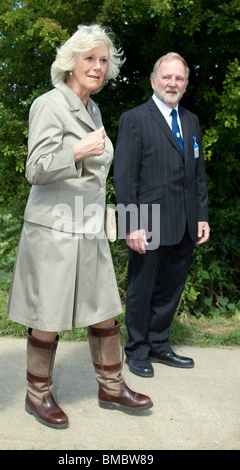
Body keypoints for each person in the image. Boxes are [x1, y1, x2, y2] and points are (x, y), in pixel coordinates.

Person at [7, 24, 152, 430]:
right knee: (48, 316)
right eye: (89, 58)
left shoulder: (93, 109)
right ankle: (37, 395)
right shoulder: (50, 104)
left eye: (103, 60)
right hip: (53, 230)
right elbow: (34, 169)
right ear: (71, 62)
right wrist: (76, 151)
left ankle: (112, 385)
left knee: (104, 309)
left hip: (88, 227)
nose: (98, 67)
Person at [114, 52, 210, 378]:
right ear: (153, 81)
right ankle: (137, 350)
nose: (172, 83)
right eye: (166, 77)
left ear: (185, 84)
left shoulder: (192, 121)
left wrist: (201, 215)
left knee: (171, 288)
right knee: (142, 288)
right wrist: (131, 224)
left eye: (179, 78)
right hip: (148, 221)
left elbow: (197, 174)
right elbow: (124, 177)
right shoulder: (135, 118)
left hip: (184, 221)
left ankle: (159, 343)